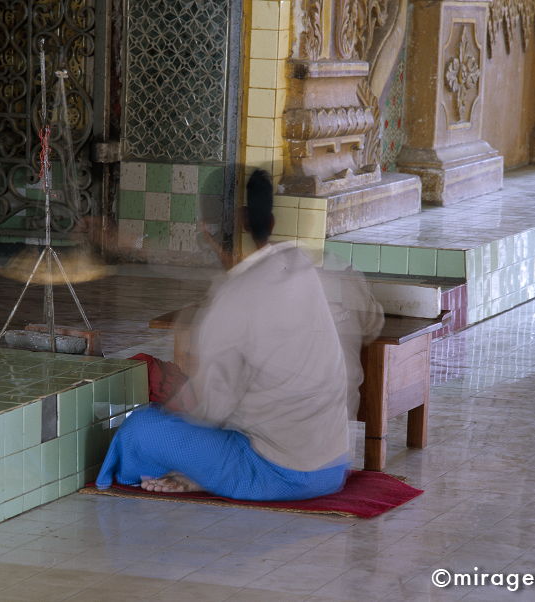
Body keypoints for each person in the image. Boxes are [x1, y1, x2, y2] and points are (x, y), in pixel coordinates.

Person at [96, 169, 383, 500]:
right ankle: (207, 475)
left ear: (208, 232)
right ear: (271, 222)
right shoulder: (305, 265)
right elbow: (372, 322)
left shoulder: (232, 300)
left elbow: (211, 410)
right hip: (335, 465)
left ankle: (198, 474)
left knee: (142, 429)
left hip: (282, 474)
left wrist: (177, 403)